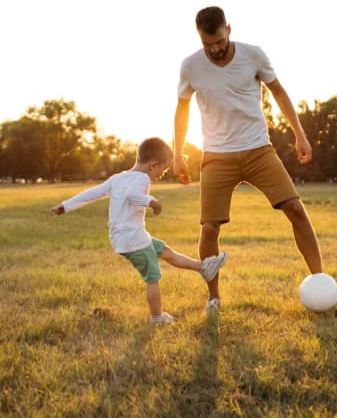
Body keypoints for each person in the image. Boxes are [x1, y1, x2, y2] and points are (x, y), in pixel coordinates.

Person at [173, 6, 337, 313]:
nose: (215, 50)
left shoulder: (253, 55)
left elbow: (279, 92)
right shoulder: (190, 66)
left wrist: (299, 133)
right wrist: (177, 153)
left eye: (219, 41)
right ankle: (213, 297)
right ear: (200, 39)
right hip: (217, 155)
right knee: (209, 228)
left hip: (259, 149)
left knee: (296, 209)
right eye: (208, 45)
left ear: (229, 29)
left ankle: (323, 283)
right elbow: (182, 109)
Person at [50, 137, 228, 326]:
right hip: (133, 239)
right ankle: (157, 318)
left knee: (164, 250)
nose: (162, 174)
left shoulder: (117, 178)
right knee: (153, 277)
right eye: (163, 169)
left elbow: (92, 193)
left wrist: (65, 206)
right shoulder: (142, 178)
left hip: (125, 238)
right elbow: (132, 195)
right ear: (153, 165)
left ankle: (203, 268)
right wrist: (151, 202)